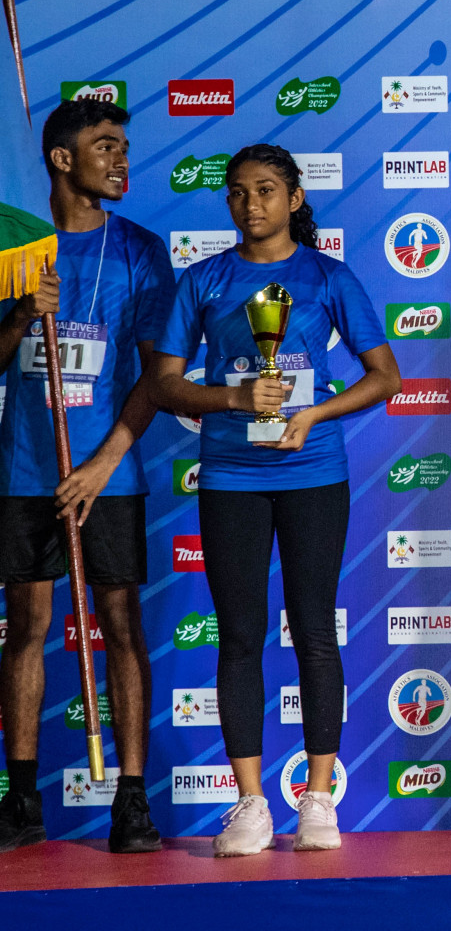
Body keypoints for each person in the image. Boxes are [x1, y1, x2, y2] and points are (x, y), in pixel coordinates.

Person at [150, 144, 400, 857]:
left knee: (315, 630)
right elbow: (165, 382)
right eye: (237, 192)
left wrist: (313, 414)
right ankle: (251, 803)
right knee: (239, 635)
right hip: (231, 474)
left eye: (265, 190)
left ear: (293, 199)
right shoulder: (204, 280)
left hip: (313, 472)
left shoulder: (328, 277)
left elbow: (384, 375)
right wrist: (233, 397)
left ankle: (317, 800)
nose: (250, 203)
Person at [0, 99, 175, 854]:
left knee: (123, 629)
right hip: (25, 470)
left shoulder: (138, 250)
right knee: (28, 631)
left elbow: (157, 378)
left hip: (110, 476)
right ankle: (21, 798)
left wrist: (103, 462)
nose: (122, 160)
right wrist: (15, 317)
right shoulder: (15, 248)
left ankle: (131, 800)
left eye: (125, 147)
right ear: (62, 159)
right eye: (106, 146)